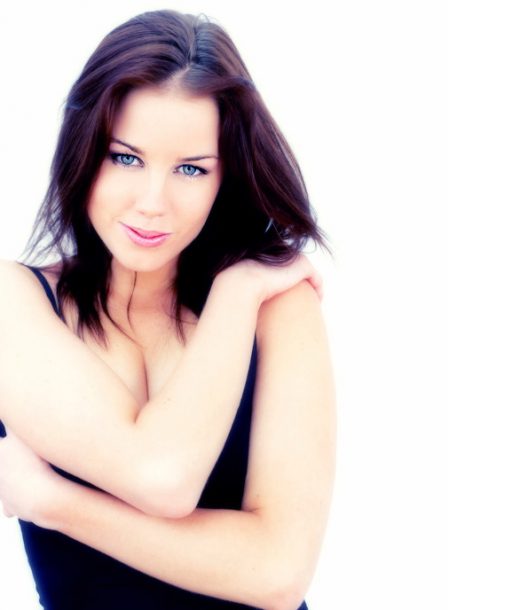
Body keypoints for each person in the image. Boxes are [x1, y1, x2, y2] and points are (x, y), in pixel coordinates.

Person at [0, 10, 334, 610]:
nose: (153, 203)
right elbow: (159, 476)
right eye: (125, 158)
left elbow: (278, 574)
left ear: (224, 177)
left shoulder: (272, 301)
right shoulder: (15, 302)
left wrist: (53, 502)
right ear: (84, 149)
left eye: (190, 169)